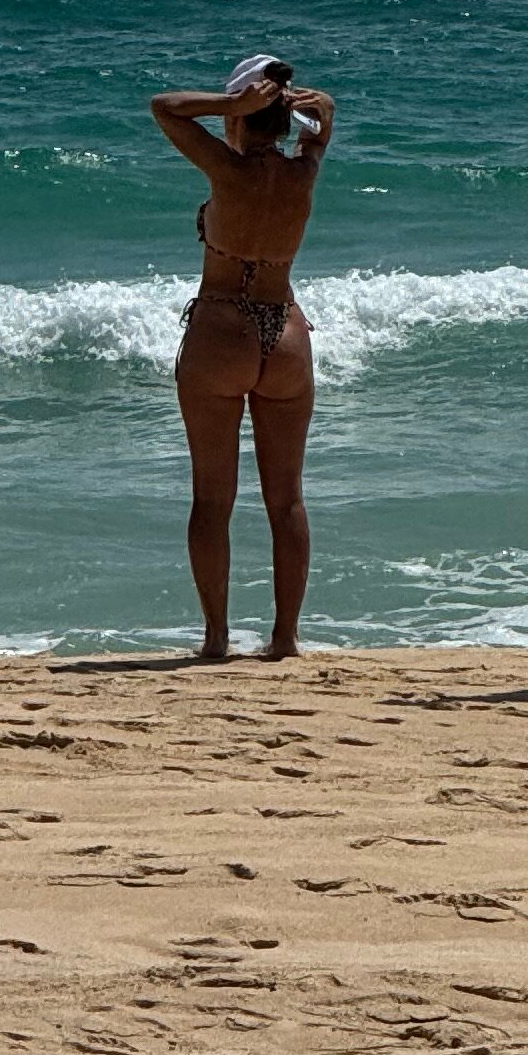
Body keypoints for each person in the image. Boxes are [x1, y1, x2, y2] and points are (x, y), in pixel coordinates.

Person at [147, 52, 334, 661]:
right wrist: (308, 106)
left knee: (212, 498)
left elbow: (165, 109)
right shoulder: (303, 172)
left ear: (243, 113)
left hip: (221, 331)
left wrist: (229, 105)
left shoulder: (226, 171)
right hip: (284, 334)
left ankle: (217, 638)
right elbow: (325, 115)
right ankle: (285, 639)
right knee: (288, 498)